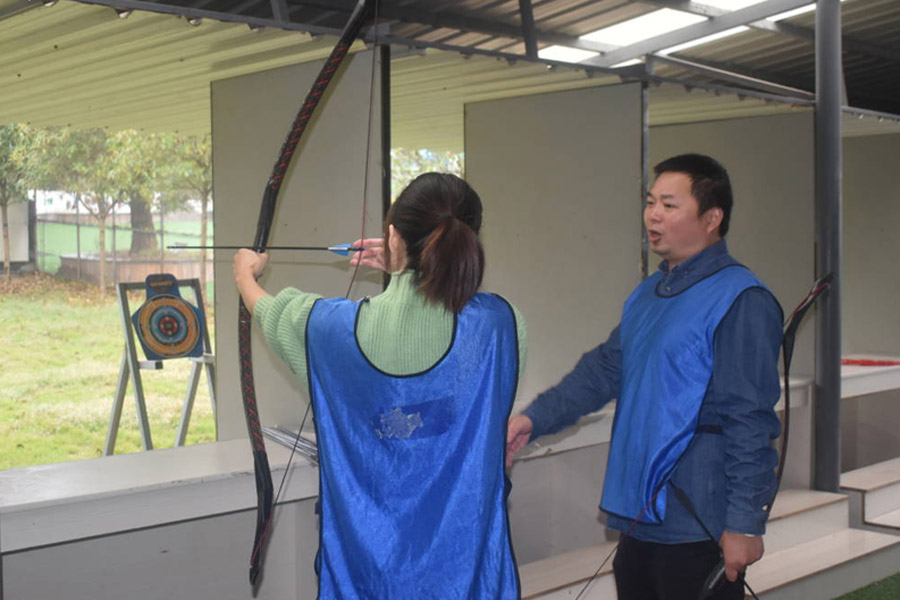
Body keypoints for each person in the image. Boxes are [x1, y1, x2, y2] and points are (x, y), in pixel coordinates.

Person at [234, 172, 526, 600]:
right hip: (472, 582)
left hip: (365, 583)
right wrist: (408, 268)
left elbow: (274, 311)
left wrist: (245, 276)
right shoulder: (504, 323)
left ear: (393, 236)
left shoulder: (329, 330)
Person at [506, 154, 782, 600]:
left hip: (699, 526)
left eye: (670, 205)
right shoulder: (649, 294)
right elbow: (603, 370)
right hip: (640, 520)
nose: (653, 214)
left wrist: (745, 522)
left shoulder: (741, 298)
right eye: (651, 202)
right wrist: (533, 419)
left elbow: (751, 420)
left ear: (712, 217)